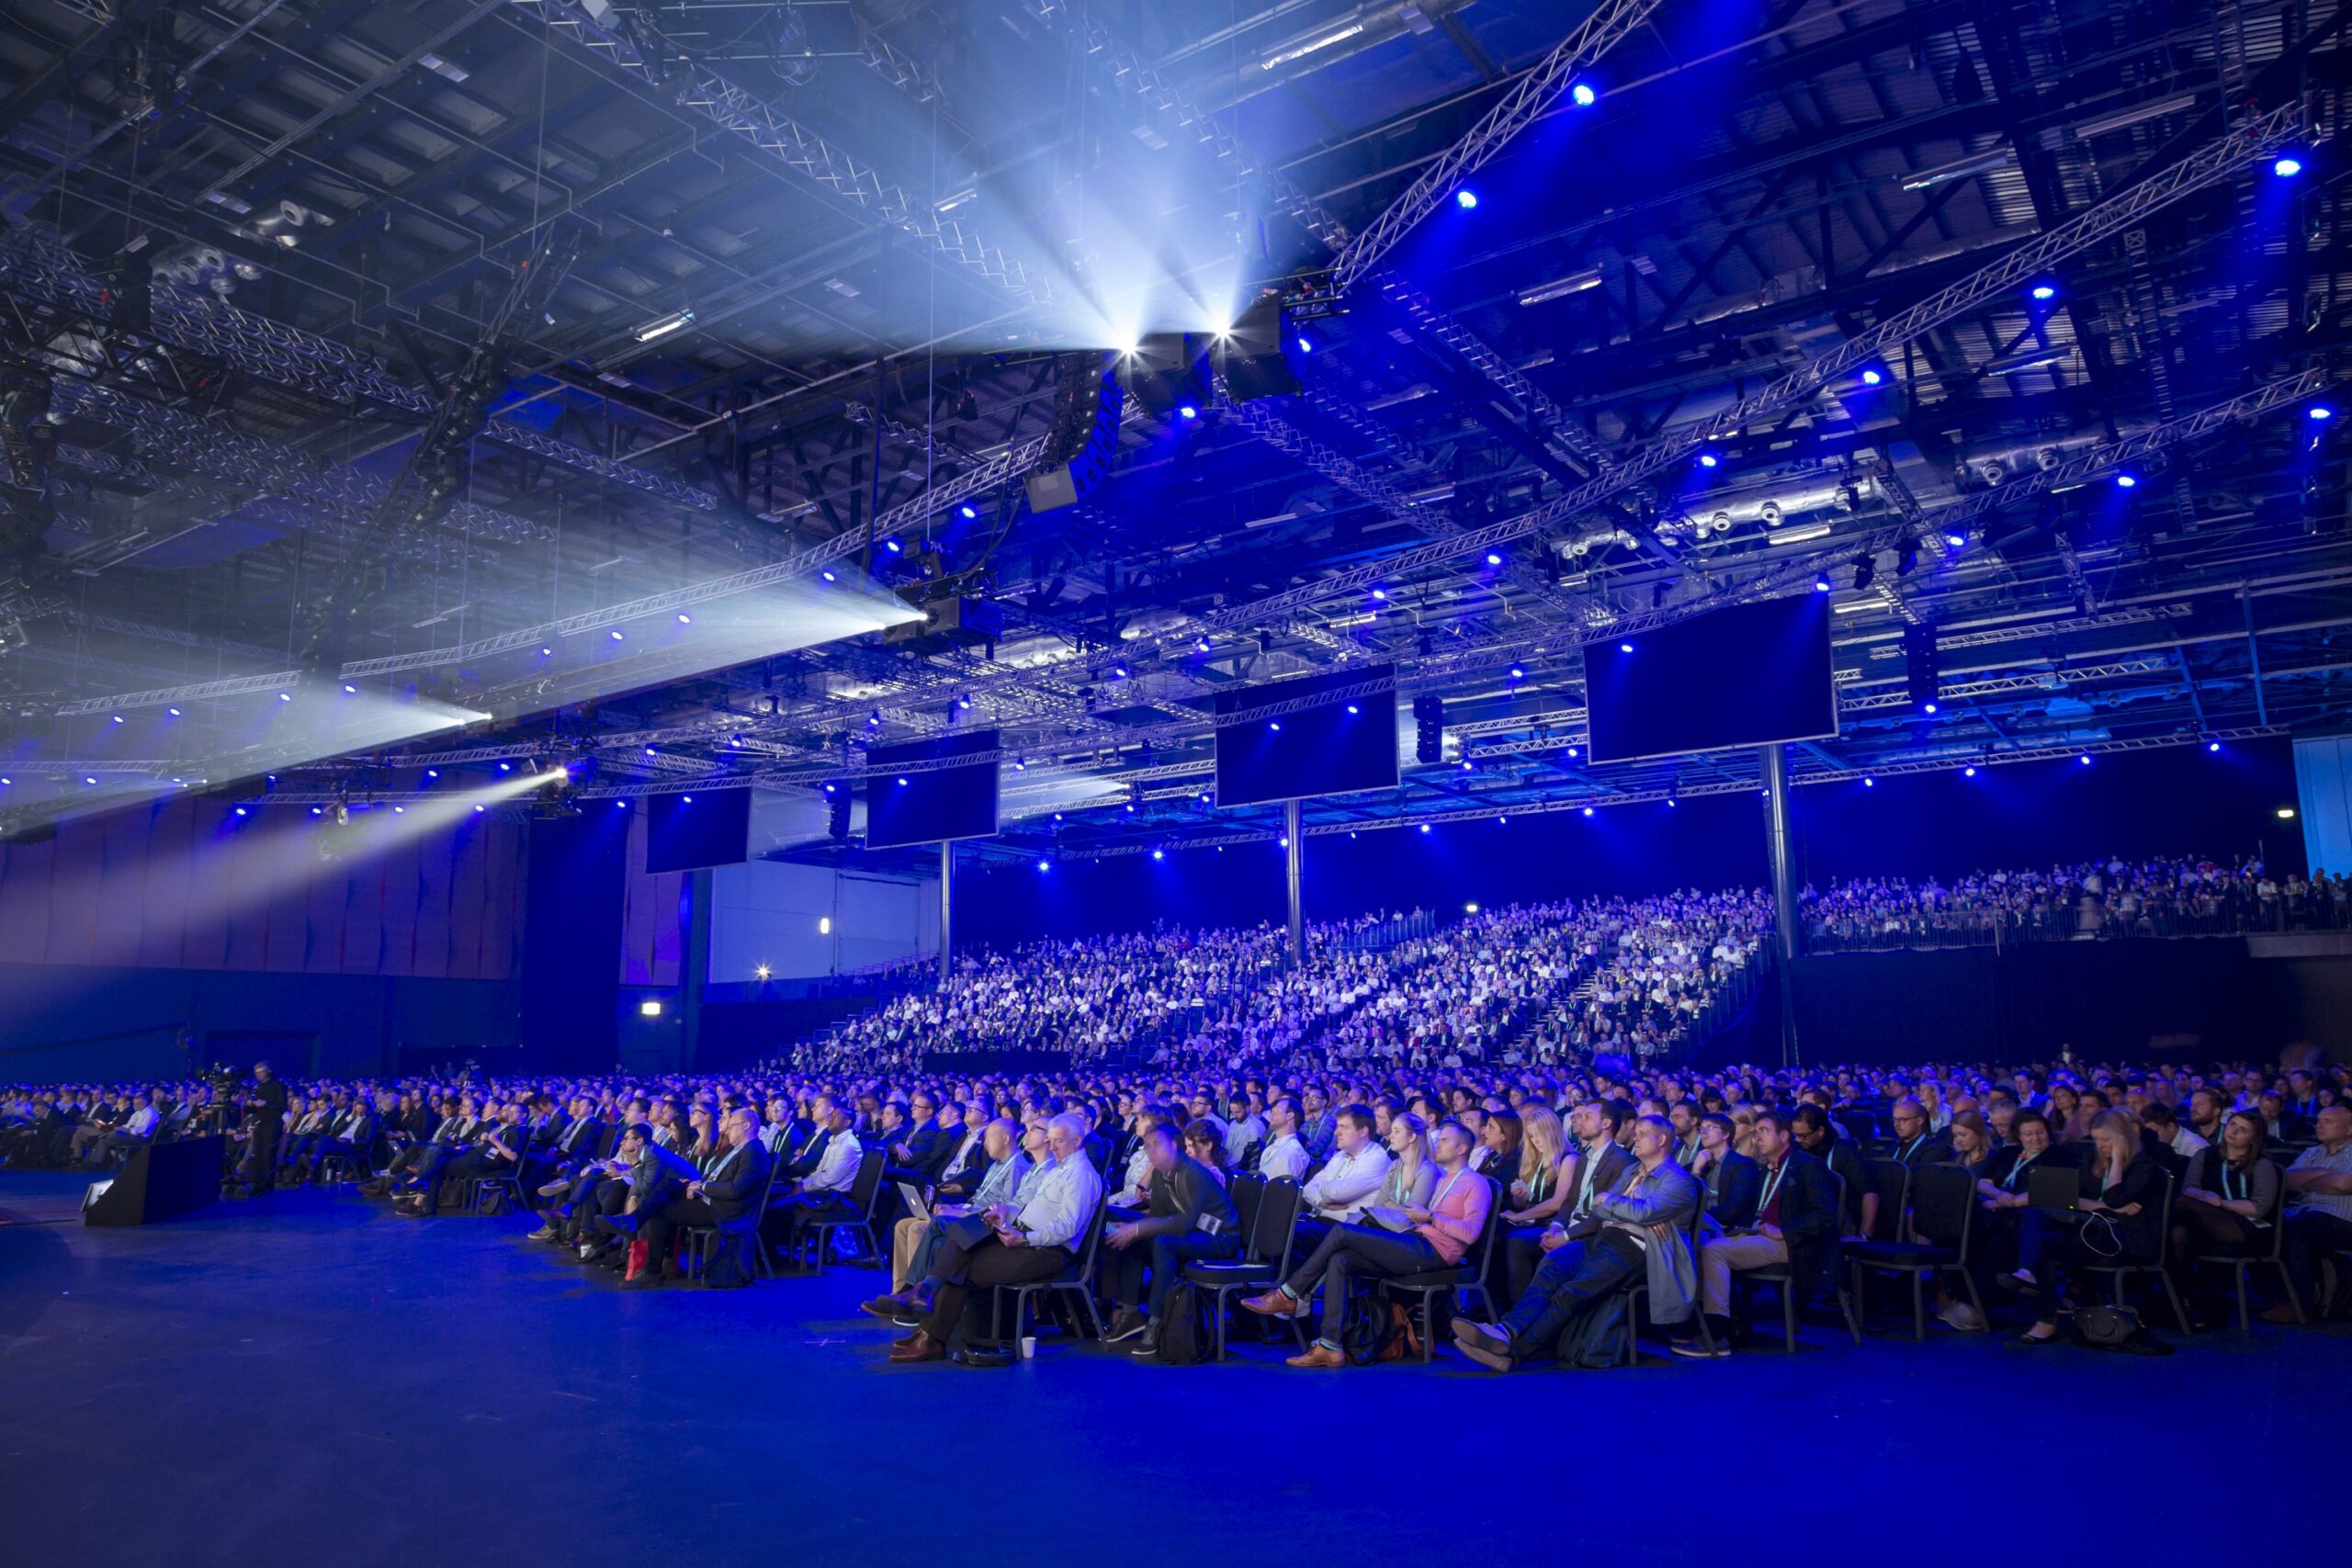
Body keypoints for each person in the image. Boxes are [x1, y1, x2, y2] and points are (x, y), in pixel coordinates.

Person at [1453, 1115, 1702, 1371]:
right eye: (1635, 1131)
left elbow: (1638, 1211)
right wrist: (1631, 1210)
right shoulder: (1632, 1171)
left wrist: (1624, 1207)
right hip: (1603, 1237)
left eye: (1642, 1133)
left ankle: (1514, 1354)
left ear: (1661, 1140)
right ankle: (1505, 1330)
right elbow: (1600, 1208)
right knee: (1550, 1269)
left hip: (1635, 1250)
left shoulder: (1678, 1180)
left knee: (1571, 1293)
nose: (1634, 1137)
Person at [1238, 1120, 1492, 1369]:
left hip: (1432, 1252)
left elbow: (1470, 1233)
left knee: (1341, 1232)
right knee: (1341, 1260)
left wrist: (1431, 1217)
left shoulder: (1476, 1183)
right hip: (1414, 1240)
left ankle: (1289, 1294)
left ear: (1462, 1149)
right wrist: (1423, 1219)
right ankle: (1330, 1346)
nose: (1438, 1143)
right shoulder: (1444, 1180)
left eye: (1445, 1140)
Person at [889, 1112, 1104, 1363]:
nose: (1052, 1145)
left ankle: (929, 1329)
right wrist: (1006, 1211)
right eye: (1051, 1139)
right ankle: (927, 1320)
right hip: (1025, 1237)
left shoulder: (1080, 1175)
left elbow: (1066, 1228)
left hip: (1049, 1253)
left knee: (961, 1267)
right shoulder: (1060, 1167)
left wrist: (1024, 1239)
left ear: (1077, 1140)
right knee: (965, 1232)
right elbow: (1027, 1206)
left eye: (1058, 1141)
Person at [1684, 1108, 1839, 1349]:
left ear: (1785, 1136)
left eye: (1764, 1131)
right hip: (1759, 1235)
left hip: (1793, 1243)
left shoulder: (1807, 1165)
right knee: (1699, 1244)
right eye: (1755, 1132)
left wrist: (1785, 1231)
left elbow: (1827, 1214)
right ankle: (1713, 1322)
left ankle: (1716, 1332)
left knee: (1714, 1250)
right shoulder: (1766, 1168)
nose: (1757, 1138)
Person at [2008, 1110, 2165, 1345]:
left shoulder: (2145, 1167)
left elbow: (2114, 1198)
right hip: (2094, 1231)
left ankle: (2044, 1317)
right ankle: (2030, 1281)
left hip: (2124, 1240)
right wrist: (2101, 1206)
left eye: (2106, 1140)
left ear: (2123, 1138)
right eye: (2096, 1140)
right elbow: (2070, 1196)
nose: (2100, 1146)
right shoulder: (2094, 1162)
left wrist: (2118, 1160)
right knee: (2035, 1219)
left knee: (2046, 1246)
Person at [1102, 1122, 1241, 1356]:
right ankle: (1131, 1312)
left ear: (1173, 1145)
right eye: (1148, 1146)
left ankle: (1157, 1321)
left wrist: (1137, 1228)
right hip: (1193, 1235)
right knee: (1131, 1239)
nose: (1152, 1150)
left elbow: (1183, 1222)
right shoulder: (1160, 1173)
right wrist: (1132, 1229)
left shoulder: (1192, 1173)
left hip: (1220, 1238)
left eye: (1158, 1144)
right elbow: (1159, 1216)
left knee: (1162, 1242)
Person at [629, 1105, 775, 1288]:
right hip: (712, 1199)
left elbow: (737, 1190)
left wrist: (704, 1187)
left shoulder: (754, 1153)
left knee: (662, 1211)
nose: (727, 1130)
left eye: (731, 1126)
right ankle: (637, 1225)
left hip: (725, 1210)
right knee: (669, 1185)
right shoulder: (738, 1149)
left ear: (746, 1125)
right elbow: (717, 1176)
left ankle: (652, 1269)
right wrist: (695, 1186)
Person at [2168, 1109, 2278, 1326]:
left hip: (2247, 1227)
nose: (2234, 1131)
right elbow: (2190, 1187)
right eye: (2232, 1125)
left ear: (2253, 1138)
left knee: (2177, 1204)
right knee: (2178, 1234)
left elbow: (2258, 1208)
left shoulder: (2262, 1164)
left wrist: (2221, 1204)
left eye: (2243, 1129)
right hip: (2205, 1221)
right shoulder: (2205, 1155)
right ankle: (2183, 1301)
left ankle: (2188, 1300)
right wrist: (2205, 1196)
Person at [2263, 1102, 2352, 1322]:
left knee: (2296, 1229)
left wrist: (2309, 1180)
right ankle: (2275, 1295)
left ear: (2349, 1129)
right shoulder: (2312, 1151)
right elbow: (2288, 1181)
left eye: (2327, 1122)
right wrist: (2326, 1174)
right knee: (2263, 1225)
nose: (2319, 1126)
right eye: (2319, 1121)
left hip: (2342, 1218)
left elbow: (2344, 1184)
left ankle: (2297, 1304)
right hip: (2306, 1212)